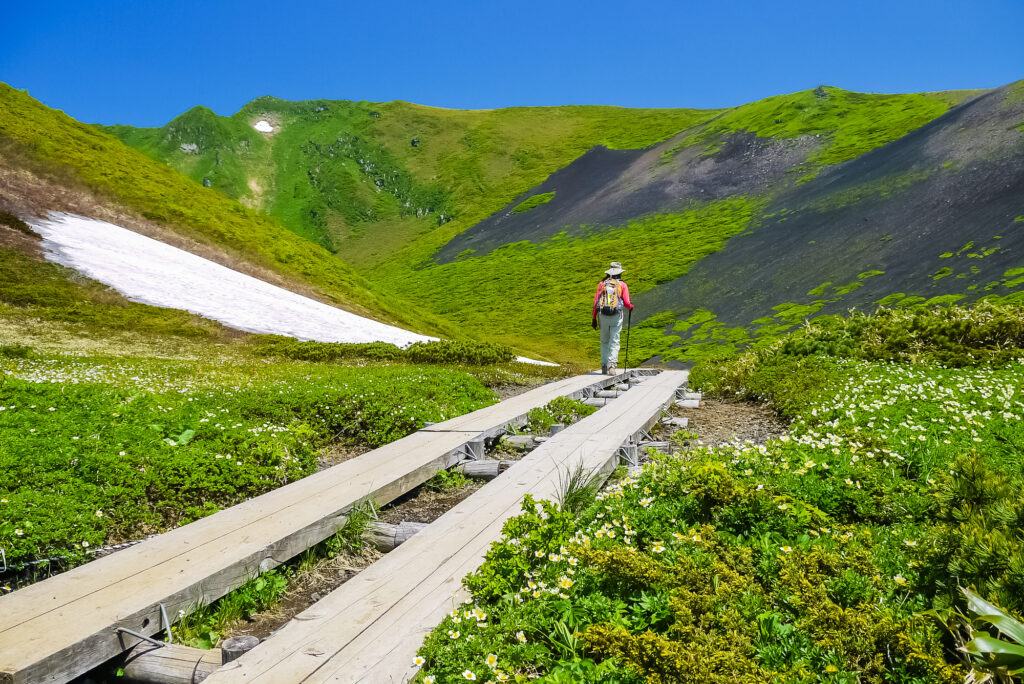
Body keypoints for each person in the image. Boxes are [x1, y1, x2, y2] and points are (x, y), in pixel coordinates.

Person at [591, 261, 634, 374]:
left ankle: (604, 366)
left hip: (602, 315)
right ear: (620, 272)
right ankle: (612, 366)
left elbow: (596, 301)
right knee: (614, 341)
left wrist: (593, 318)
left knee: (604, 341)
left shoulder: (602, 284)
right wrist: (631, 307)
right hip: (616, 316)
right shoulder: (622, 285)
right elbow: (627, 303)